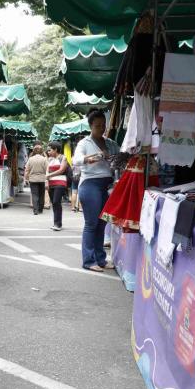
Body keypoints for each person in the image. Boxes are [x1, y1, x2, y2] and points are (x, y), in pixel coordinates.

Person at [73, 109, 120, 272]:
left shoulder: (111, 143)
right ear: (90, 126)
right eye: (97, 125)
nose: (101, 128)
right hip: (90, 184)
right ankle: (88, 260)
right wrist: (90, 158)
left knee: (102, 224)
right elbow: (76, 160)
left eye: (103, 125)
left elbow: (121, 157)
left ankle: (100, 259)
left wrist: (115, 159)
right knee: (91, 223)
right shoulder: (84, 143)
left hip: (106, 185)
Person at [46, 141, 69, 231]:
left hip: (60, 183)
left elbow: (61, 170)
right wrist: (47, 181)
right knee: (54, 204)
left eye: (50, 150)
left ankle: (58, 224)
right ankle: (56, 223)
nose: (48, 152)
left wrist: (49, 175)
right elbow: (47, 171)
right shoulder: (49, 159)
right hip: (51, 184)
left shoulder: (63, 158)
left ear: (55, 149)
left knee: (56, 202)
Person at [24, 144, 48, 215]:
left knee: (34, 194)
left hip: (33, 179)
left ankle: (35, 210)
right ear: (41, 151)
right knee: (41, 194)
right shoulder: (44, 159)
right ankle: (40, 209)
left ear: (34, 151)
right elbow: (47, 169)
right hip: (42, 179)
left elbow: (27, 170)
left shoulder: (30, 159)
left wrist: (26, 179)